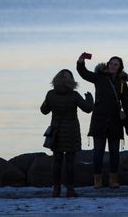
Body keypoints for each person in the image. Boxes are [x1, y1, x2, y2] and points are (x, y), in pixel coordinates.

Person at [76, 52, 128, 189]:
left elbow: (126, 103)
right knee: (98, 152)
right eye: (111, 63)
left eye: (116, 64)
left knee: (115, 153)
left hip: (115, 121)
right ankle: (97, 180)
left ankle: (113, 180)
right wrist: (80, 61)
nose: (113, 66)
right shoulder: (99, 77)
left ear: (120, 67)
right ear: (107, 65)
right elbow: (84, 73)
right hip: (99, 120)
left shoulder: (122, 84)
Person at [40, 69, 93, 198]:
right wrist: (89, 98)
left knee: (57, 161)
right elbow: (87, 108)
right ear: (71, 81)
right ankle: (70, 189)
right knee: (70, 162)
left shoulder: (50, 94)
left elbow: (44, 110)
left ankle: (56, 190)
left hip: (56, 131)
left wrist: (48, 102)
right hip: (71, 131)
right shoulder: (74, 95)